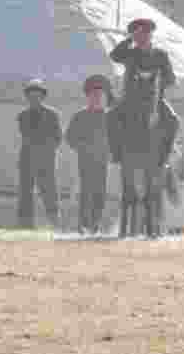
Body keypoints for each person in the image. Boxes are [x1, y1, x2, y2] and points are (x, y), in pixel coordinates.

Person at [108, 18, 180, 239]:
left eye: (145, 34)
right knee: (111, 116)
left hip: (154, 100)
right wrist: (128, 40)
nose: (142, 37)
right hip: (130, 101)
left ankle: (164, 156)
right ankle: (116, 152)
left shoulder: (161, 55)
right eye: (138, 34)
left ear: (151, 35)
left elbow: (171, 78)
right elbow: (114, 55)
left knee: (173, 120)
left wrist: (158, 81)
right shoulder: (129, 53)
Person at [66, 74, 113, 235]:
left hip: (102, 160)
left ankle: (95, 224)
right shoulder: (80, 116)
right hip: (85, 161)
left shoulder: (109, 117)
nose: (97, 98)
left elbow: (116, 138)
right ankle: (84, 224)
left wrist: (111, 152)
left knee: (100, 192)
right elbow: (70, 137)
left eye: (99, 95)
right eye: (93, 95)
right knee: (86, 192)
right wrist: (82, 148)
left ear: (104, 97)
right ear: (88, 97)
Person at [17, 78, 62, 229]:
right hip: (27, 159)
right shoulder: (22, 116)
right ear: (27, 97)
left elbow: (57, 138)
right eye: (31, 95)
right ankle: (25, 225)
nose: (34, 98)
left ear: (42, 96)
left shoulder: (52, 115)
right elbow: (26, 135)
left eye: (37, 95)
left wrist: (47, 152)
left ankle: (55, 224)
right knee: (25, 193)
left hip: (46, 160)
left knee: (49, 192)